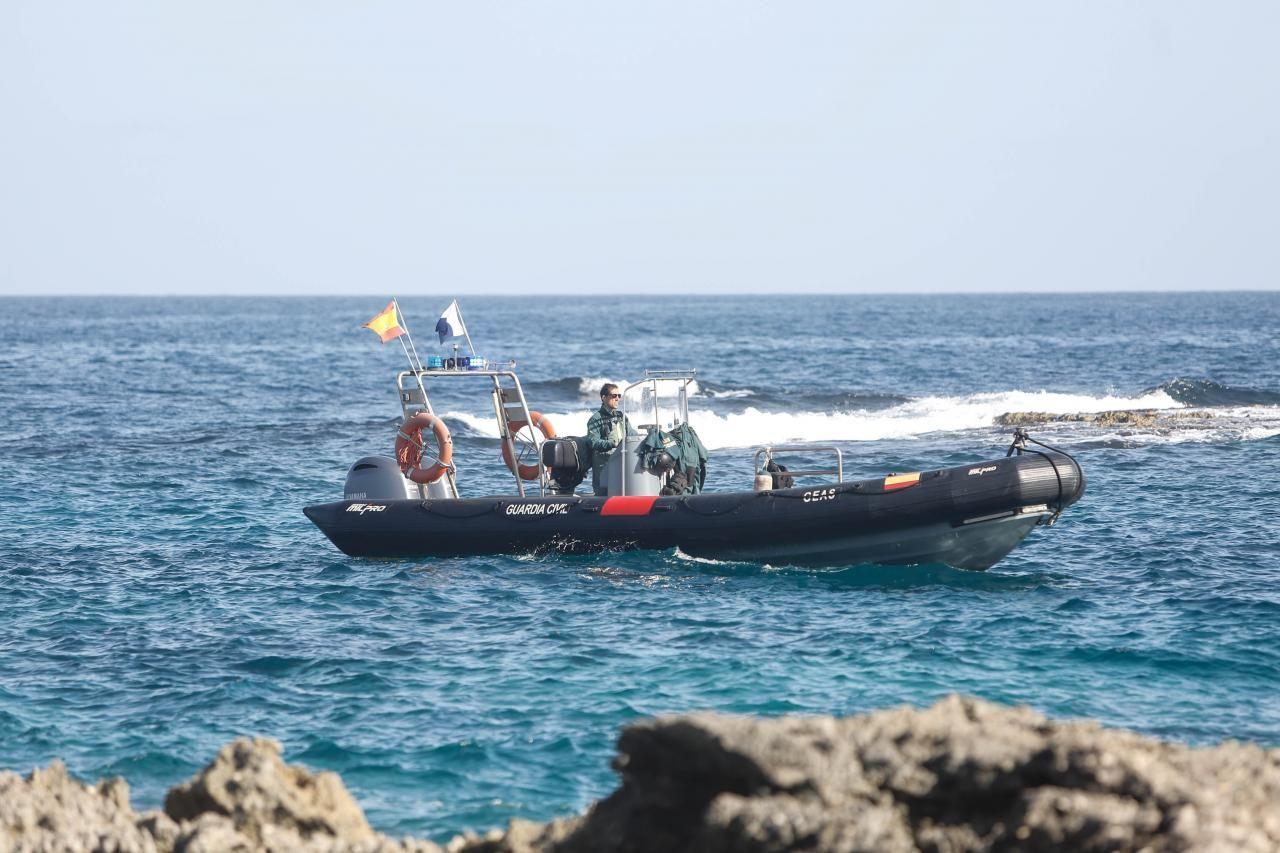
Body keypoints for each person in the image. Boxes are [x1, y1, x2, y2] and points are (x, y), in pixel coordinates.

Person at [586, 383, 635, 495]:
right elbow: (594, 442)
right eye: (614, 396)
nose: (617, 398)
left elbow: (632, 434)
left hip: (622, 463)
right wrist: (611, 443)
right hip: (604, 466)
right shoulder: (596, 419)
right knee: (604, 493)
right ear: (603, 397)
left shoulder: (621, 417)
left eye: (619, 395)